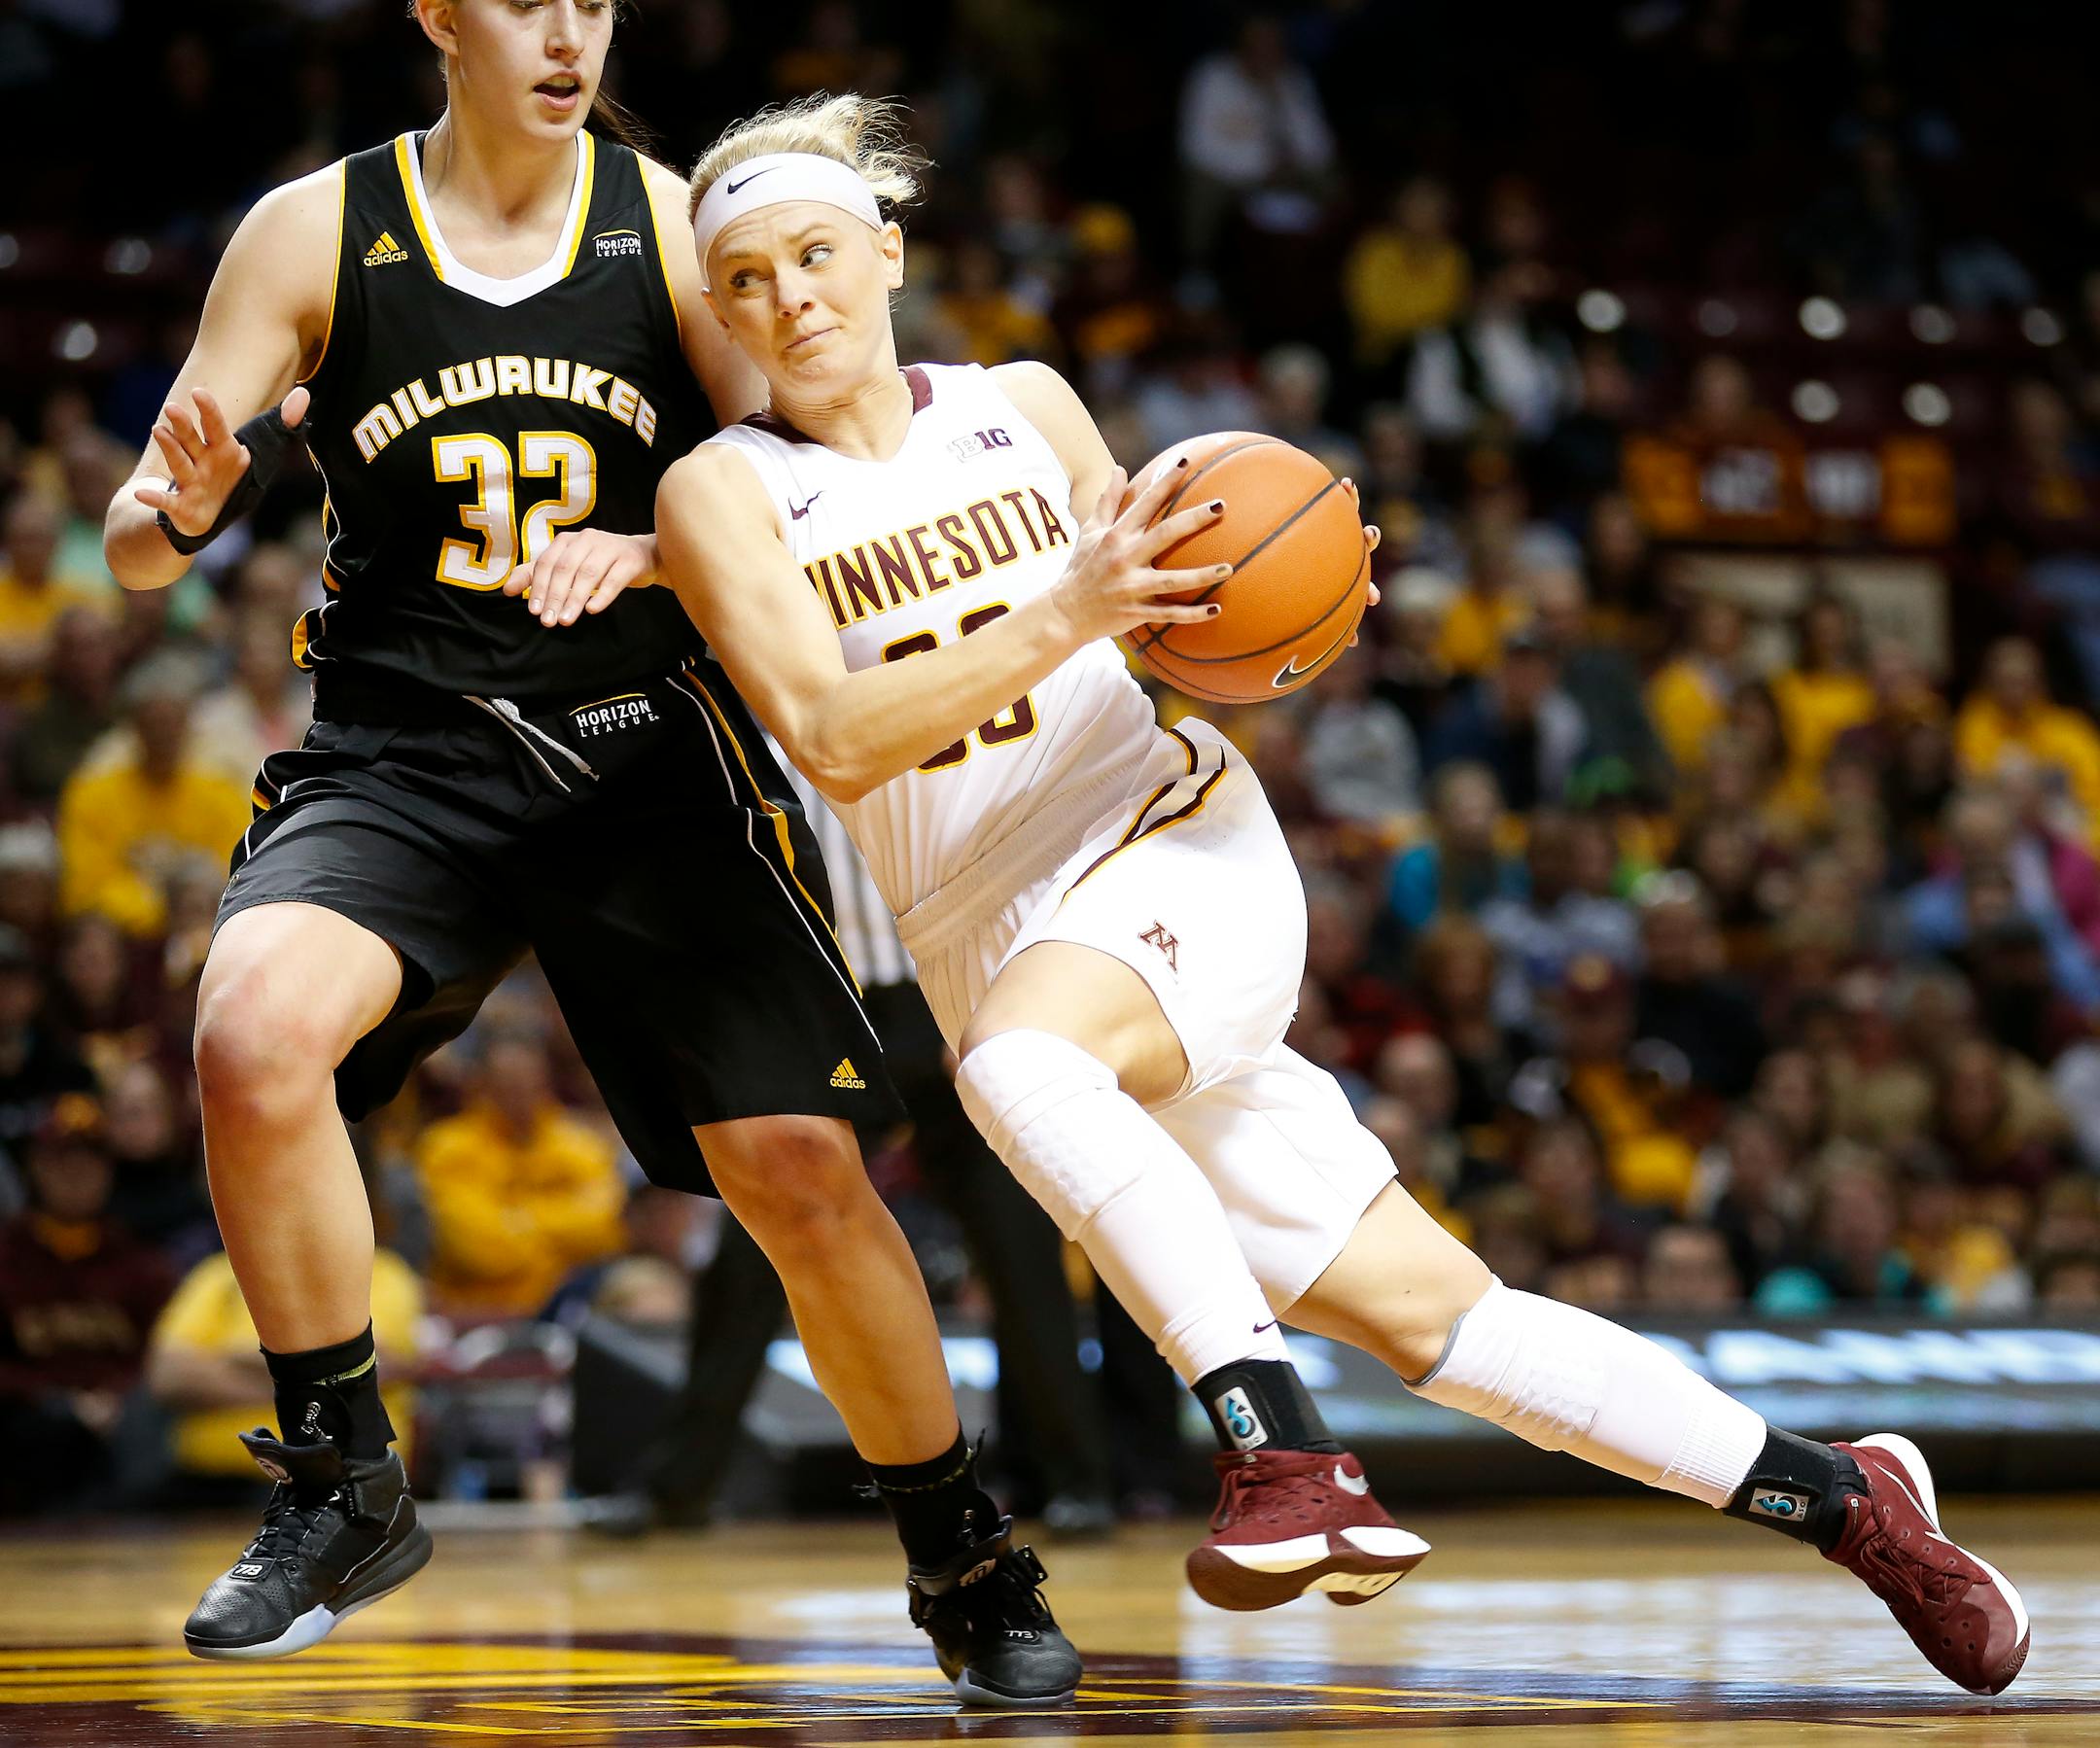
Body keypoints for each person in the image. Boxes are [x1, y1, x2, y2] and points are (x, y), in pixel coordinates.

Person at [655, 93, 2029, 1696]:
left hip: (1166, 842)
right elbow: (830, 736)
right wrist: (1069, 607)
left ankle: (1278, 1453)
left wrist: (1286, 614)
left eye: (815, 254)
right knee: (1442, 1319)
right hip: (991, 928)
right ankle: (1851, 1497)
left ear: (885, 248)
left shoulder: (1020, 403)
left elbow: (1180, 626)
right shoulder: (724, 493)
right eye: (744, 280)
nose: (789, 300)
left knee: (1018, 1073)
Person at [99, 5, 1074, 1703]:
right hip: (406, 755)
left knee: (800, 1170)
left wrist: (660, 541)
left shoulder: (678, 230)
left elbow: (795, 463)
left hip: (644, 754)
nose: (568, 32)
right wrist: (171, 510)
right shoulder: (315, 230)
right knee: (253, 1031)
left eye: (593, 2)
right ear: (439, 17)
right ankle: (344, 1480)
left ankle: (963, 1548)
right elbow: (132, 536)